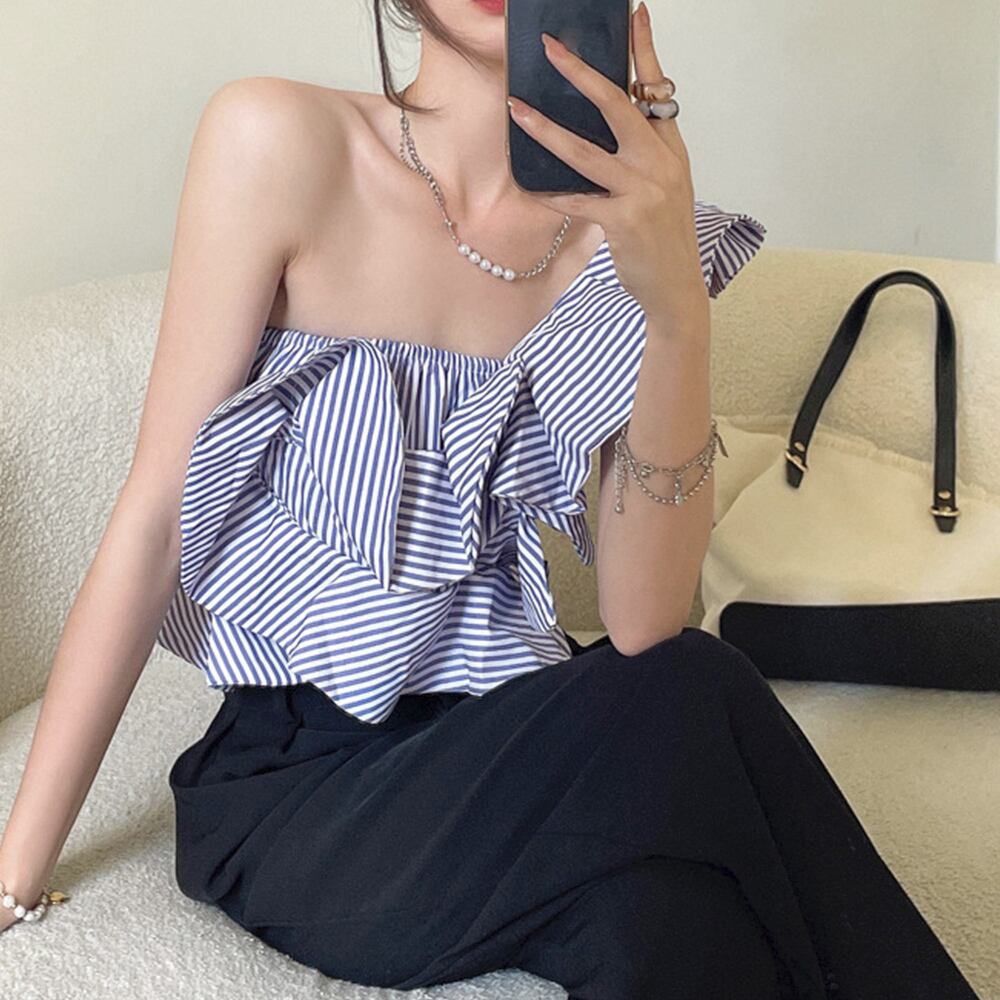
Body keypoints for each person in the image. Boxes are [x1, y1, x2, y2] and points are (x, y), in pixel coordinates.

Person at [0, 2, 980, 997]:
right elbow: (156, 512)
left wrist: (675, 311)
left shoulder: (622, 235)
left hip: (513, 744)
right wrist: (15, 872)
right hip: (305, 790)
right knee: (698, 684)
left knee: (669, 920)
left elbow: (643, 620)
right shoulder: (278, 140)